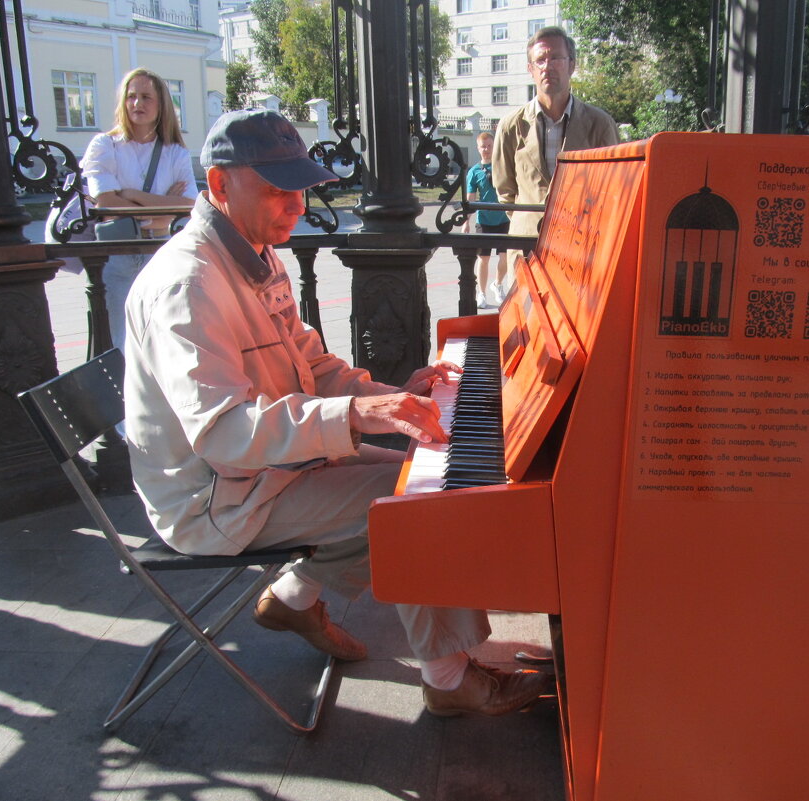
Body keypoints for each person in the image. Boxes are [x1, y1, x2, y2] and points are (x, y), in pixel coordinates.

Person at [123, 109, 549, 717]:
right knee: (419, 507)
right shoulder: (188, 284)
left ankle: (294, 598)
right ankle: (449, 681)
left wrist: (387, 396)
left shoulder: (252, 253)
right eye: (276, 188)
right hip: (216, 500)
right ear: (219, 186)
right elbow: (220, 434)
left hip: (263, 474)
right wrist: (354, 414)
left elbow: (309, 365)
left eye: (300, 186)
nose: (296, 204)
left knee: (414, 474)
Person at [81, 67, 198, 351]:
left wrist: (132, 195)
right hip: (118, 256)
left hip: (161, 252)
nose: (137, 103)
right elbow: (106, 204)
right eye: (131, 96)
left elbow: (190, 207)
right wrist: (161, 210)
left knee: (166, 341)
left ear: (161, 106)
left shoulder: (175, 153)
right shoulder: (105, 145)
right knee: (122, 344)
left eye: (146, 97)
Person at [492, 26, 620, 238]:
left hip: (582, 244)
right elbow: (505, 191)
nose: (547, 66)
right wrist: (527, 221)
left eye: (556, 58)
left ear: (571, 65)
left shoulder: (600, 124)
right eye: (540, 60)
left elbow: (615, 187)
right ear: (530, 69)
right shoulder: (510, 126)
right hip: (527, 247)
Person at [463, 131, 509, 308]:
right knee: (483, 258)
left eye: (490, 146)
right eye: (484, 147)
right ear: (478, 148)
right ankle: (481, 293)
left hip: (503, 218)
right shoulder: (474, 172)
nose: (487, 150)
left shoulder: (502, 167)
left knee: (504, 256)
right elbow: (471, 198)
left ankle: (497, 284)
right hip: (484, 220)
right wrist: (466, 221)